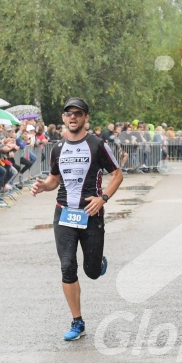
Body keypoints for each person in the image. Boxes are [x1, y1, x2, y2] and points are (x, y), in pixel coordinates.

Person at [30, 98, 123, 341]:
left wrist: (102, 198)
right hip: (64, 213)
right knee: (67, 265)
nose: (73, 117)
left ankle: (97, 261)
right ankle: (77, 321)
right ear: (63, 118)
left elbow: (117, 174)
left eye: (78, 113)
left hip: (91, 214)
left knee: (91, 272)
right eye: (69, 113)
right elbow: (53, 180)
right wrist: (42, 186)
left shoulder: (98, 145)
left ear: (85, 118)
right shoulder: (58, 148)